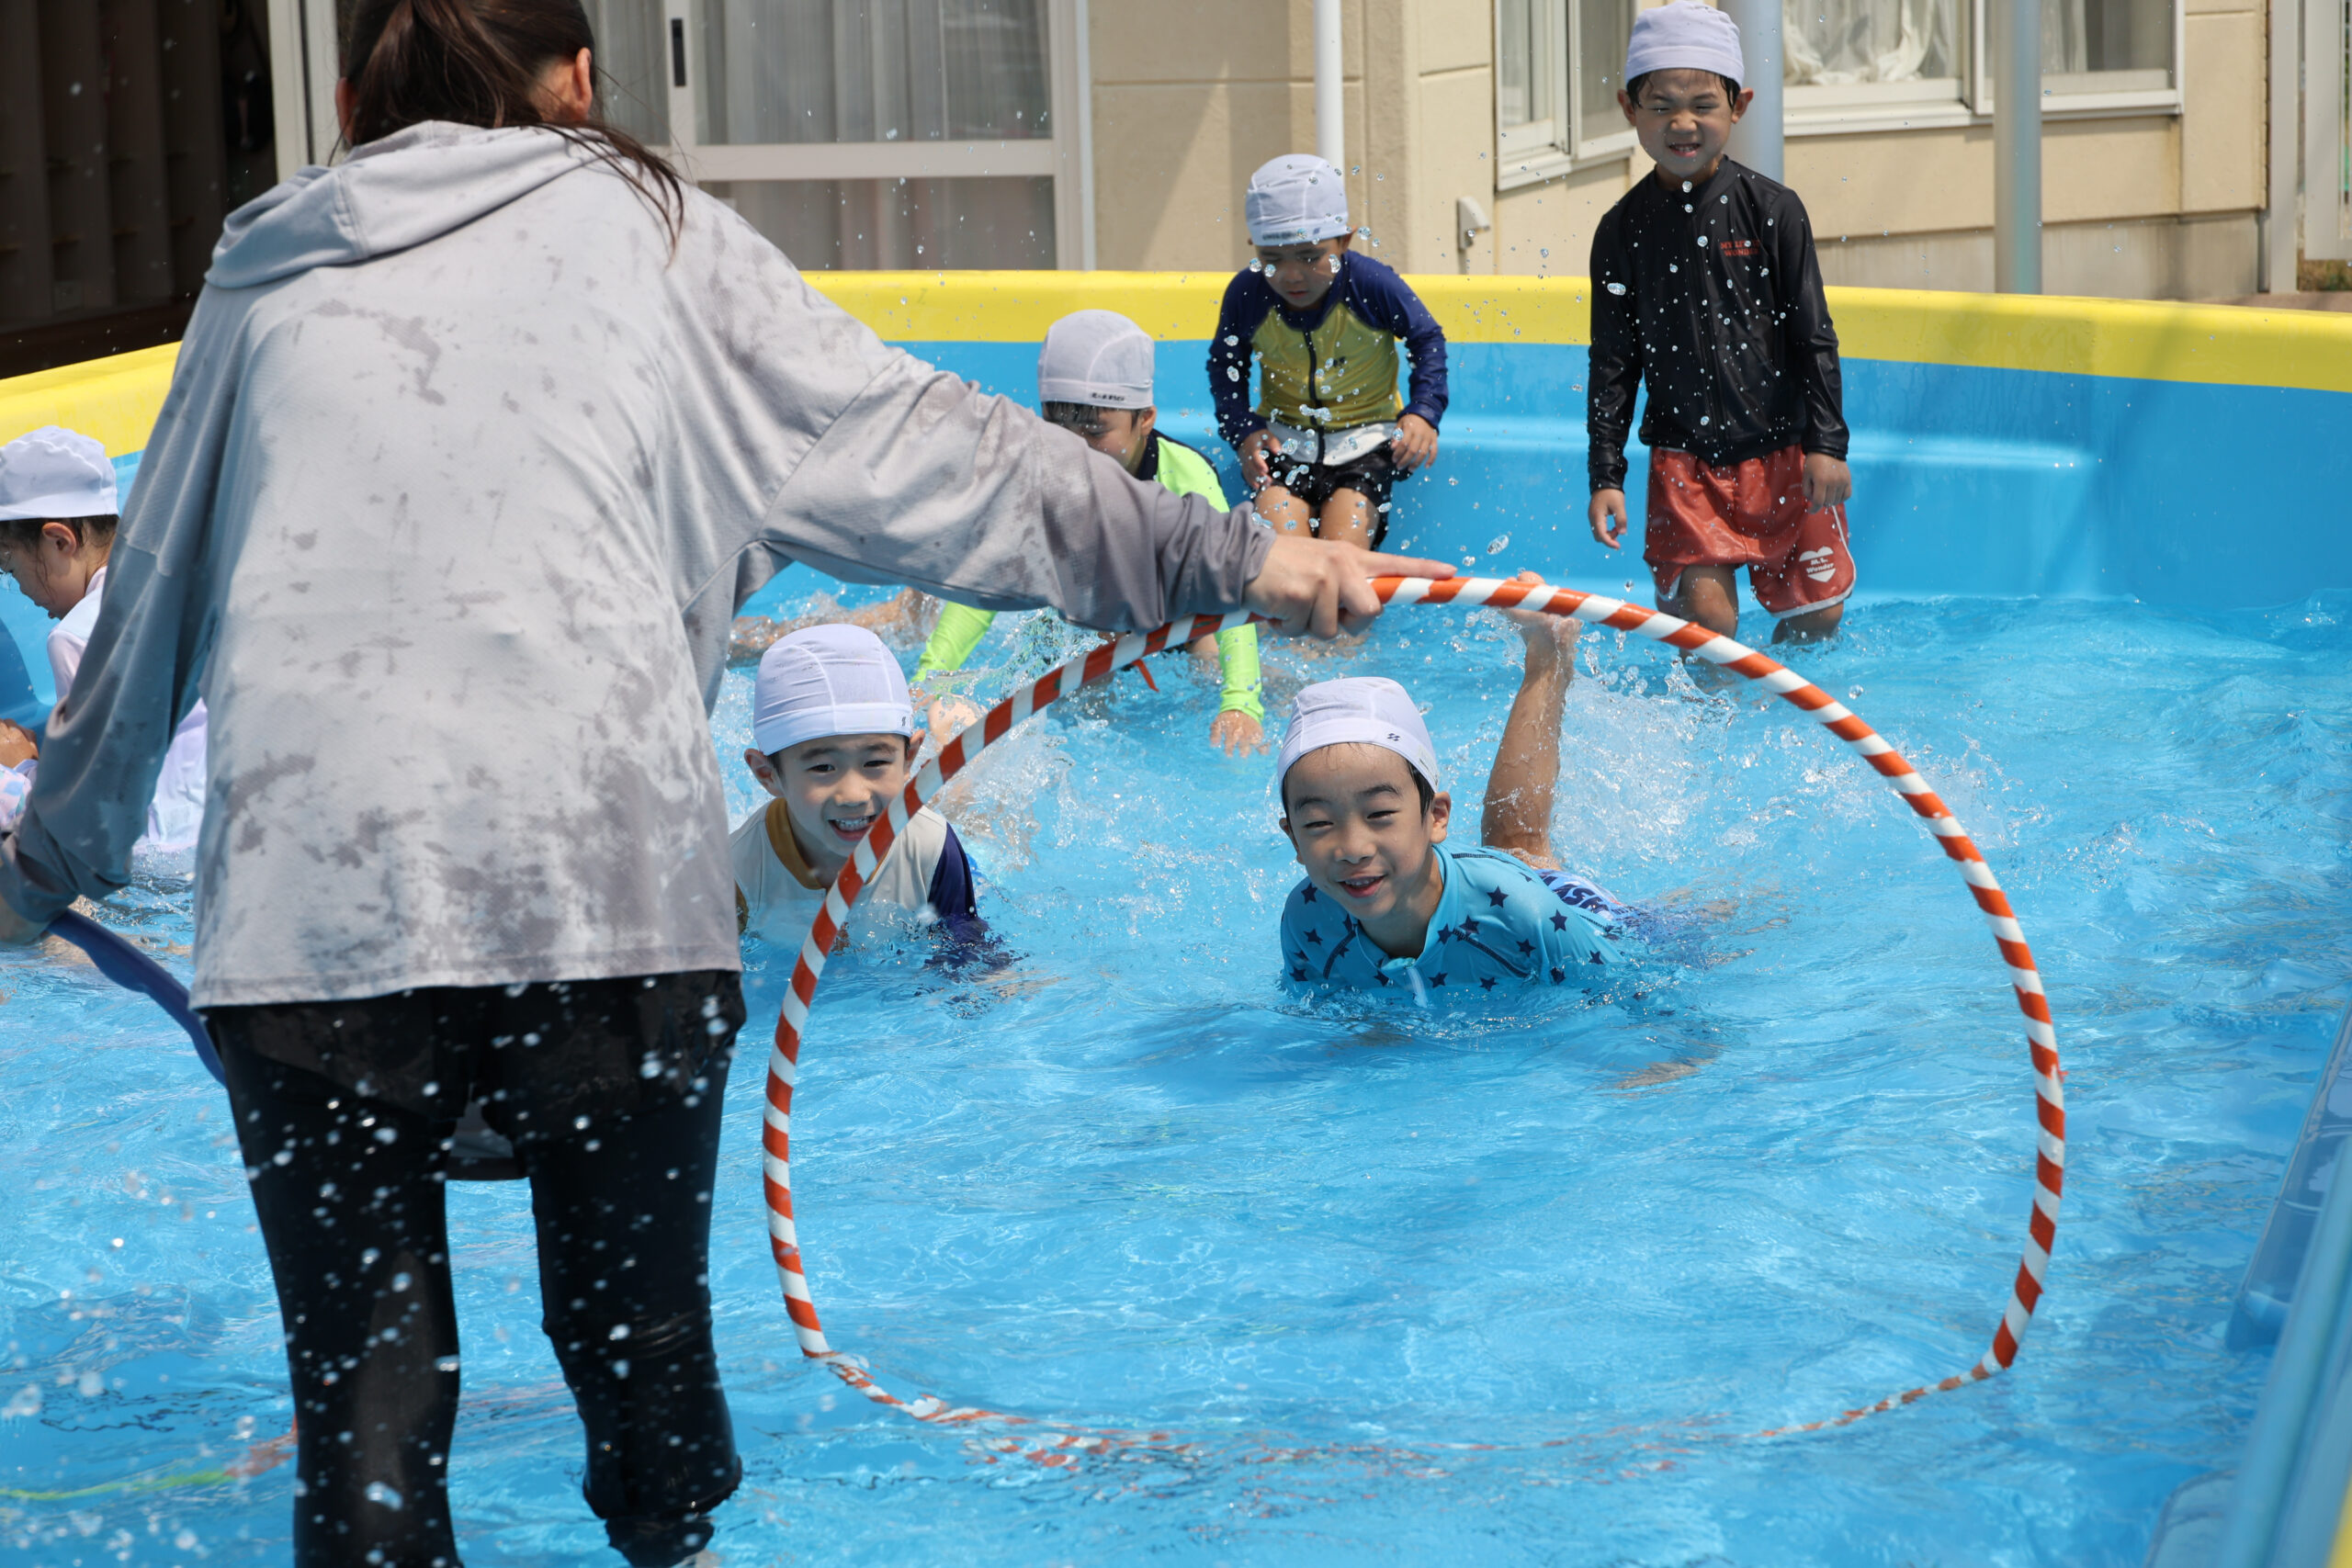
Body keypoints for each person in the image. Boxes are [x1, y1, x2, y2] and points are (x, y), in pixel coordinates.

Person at [0, 3, 1451, 1564]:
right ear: (580, 85)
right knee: (645, 1394)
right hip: (604, 908)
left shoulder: (264, 272)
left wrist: (40, 869)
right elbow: (939, 456)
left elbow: (144, 618)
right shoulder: (654, 241)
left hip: (309, 934)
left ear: (349, 100)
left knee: (366, 1431)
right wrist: (1236, 557)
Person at [1585, 0, 1856, 646]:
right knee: (1709, 625)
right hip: (1687, 464)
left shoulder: (1773, 211)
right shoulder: (1622, 231)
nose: (1683, 123)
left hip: (1784, 450)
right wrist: (1605, 473)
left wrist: (1827, 443)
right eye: (1662, 105)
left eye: (1703, 104)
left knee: (1817, 617)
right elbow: (1613, 361)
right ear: (1629, 109)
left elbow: (1812, 334)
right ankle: (1707, 734)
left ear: (1739, 106)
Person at [917, 310, 1269, 756]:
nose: (1073, 446)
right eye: (1058, 426)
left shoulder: (1185, 479)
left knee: (1218, 670)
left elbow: (1234, 590)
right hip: (1081, 624)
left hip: (1177, 624)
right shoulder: (1035, 473)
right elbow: (988, 574)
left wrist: (1242, 702)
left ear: (1145, 419)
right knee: (1063, 707)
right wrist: (932, 676)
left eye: (1095, 430)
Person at [1277, 576, 1634, 997]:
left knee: (1522, 849)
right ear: (1294, 839)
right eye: (1319, 823)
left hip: (1582, 917)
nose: (1354, 847)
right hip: (1492, 890)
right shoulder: (1308, 920)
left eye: (1378, 815)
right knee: (1513, 845)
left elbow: (1631, 994)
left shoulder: (1524, 916)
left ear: (1436, 817)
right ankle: (1547, 652)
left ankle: (1549, 656)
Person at [1209, 154, 1449, 551]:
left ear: (1344, 241)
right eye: (1272, 259)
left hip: (1367, 444)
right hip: (1283, 442)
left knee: (1342, 563)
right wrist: (1244, 432)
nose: (1291, 274)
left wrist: (1424, 411)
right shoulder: (1247, 295)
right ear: (1254, 248)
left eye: (1309, 256)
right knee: (1286, 565)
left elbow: (1427, 339)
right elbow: (1225, 366)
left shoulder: (1372, 285)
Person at [0, 426, 206, 853]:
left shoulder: (78, 638)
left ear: (60, 541)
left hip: (158, 868)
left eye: (10, 567)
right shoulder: (191, 581)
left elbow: (94, 826)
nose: (17, 588)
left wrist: (20, 772)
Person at [735, 625, 983, 951]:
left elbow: (969, 964)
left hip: (961, 863)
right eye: (823, 767)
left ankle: (948, 733)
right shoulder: (739, 874)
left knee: (980, 826)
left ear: (908, 758)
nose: (853, 795)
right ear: (768, 775)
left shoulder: (932, 848)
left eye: (875, 763)